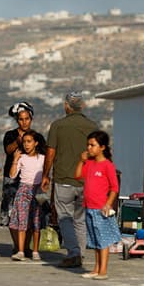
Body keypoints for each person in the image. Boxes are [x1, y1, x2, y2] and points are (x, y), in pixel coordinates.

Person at [41, 91, 98, 268]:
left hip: (64, 179)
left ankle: (73, 252)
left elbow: (50, 153)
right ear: (82, 106)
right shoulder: (92, 126)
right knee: (80, 220)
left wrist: (45, 175)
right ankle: (80, 254)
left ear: (67, 106)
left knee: (65, 217)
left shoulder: (58, 126)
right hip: (85, 180)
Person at [76, 131, 119, 280]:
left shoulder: (107, 165)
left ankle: (103, 271)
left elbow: (114, 188)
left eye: (92, 145)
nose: (89, 148)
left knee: (103, 240)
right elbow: (77, 175)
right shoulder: (89, 163)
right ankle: (96, 268)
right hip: (89, 206)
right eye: (88, 145)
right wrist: (81, 161)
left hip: (100, 208)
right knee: (94, 240)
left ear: (102, 147)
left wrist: (108, 204)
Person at [1, 101, 34, 254]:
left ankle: (26, 246)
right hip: (12, 178)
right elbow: (8, 150)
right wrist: (18, 141)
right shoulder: (10, 135)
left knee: (29, 213)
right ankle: (17, 245)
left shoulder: (36, 136)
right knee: (11, 212)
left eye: (27, 119)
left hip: (30, 179)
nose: (24, 122)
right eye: (21, 119)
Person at [8, 130, 46, 261]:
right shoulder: (22, 158)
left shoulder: (42, 158)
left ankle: (35, 250)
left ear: (36, 143)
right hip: (23, 190)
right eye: (24, 142)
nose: (26, 145)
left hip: (37, 191)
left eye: (29, 141)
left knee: (36, 221)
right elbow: (12, 175)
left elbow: (47, 176)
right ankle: (21, 250)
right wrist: (15, 160)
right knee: (22, 221)